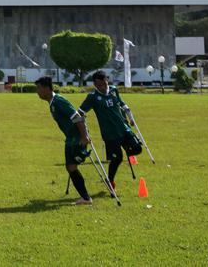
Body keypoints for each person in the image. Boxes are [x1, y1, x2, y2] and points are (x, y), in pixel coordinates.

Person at [34, 76, 94, 205]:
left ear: (46, 88)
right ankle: (85, 197)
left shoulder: (58, 101)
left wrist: (84, 136)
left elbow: (77, 117)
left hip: (75, 138)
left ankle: (86, 198)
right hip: (70, 137)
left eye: (38, 88)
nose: (37, 91)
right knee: (70, 167)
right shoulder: (52, 103)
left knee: (71, 167)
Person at [79, 70, 142, 188]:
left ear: (107, 81)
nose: (102, 87)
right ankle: (110, 181)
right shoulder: (92, 97)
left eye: (104, 84)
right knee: (117, 159)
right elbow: (80, 112)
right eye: (99, 85)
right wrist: (81, 124)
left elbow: (122, 104)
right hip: (109, 134)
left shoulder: (113, 90)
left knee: (137, 148)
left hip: (124, 129)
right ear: (95, 85)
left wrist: (130, 117)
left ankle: (125, 149)